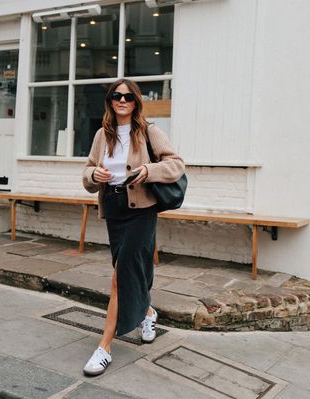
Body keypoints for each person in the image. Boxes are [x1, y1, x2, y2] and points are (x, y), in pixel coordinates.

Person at [82, 78, 185, 376]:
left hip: (142, 211)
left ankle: (104, 347)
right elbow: (87, 172)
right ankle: (148, 312)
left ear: (136, 101)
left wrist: (148, 170)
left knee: (120, 277)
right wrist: (95, 175)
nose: (122, 100)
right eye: (117, 96)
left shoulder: (149, 131)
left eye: (128, 96)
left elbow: (176, 164)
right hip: (114, 210)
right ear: (111, 101)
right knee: (131, 270)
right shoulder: (103, 135)